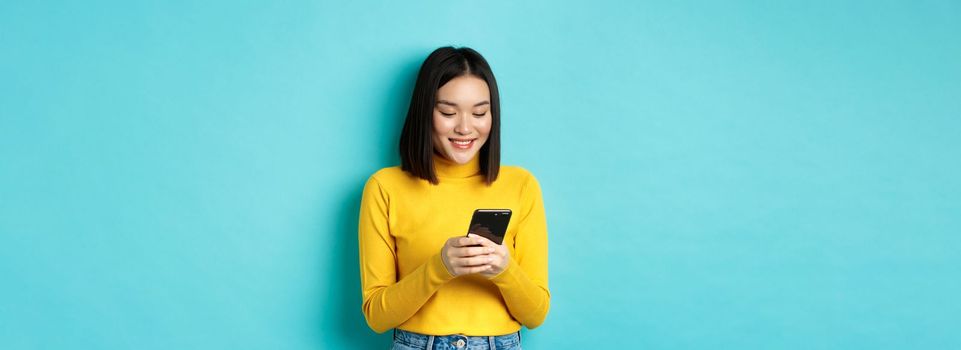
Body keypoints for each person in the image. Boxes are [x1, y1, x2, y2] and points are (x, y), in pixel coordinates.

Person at [358, 46, 550, 350]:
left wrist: (504, 270)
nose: (464, 127)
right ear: (425, 112)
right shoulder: (385, 188)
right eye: (448, 112)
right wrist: (439, 268)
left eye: (479, 112)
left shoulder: (521, 185)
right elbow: (377, 317)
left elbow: (536, 314)